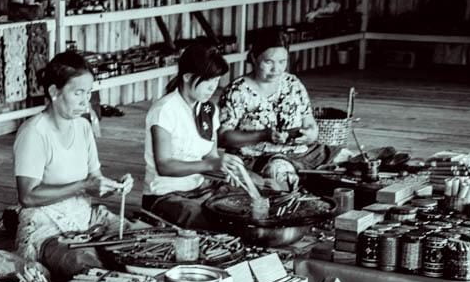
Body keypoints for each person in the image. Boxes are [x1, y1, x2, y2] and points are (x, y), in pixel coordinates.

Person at [13, 51, 134, 281]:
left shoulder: (83, 127)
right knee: (82, 263)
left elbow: (94, 180)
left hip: (84, 217)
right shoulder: (34, 133)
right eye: (78, 93)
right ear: (54, 92)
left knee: (135, 237)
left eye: (88, 94)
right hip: (46, 226)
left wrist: (115, 186)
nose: (84, 101)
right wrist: (82, 186)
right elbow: (27, 196)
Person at [142, 42, 249, 229]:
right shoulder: (165, 110)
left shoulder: (208, 109)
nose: (212, 88)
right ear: (188, 77)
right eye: (208, 81)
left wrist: (227, 170)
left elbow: (211, 156)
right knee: (216, 224)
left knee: (244, 210)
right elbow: (165, 166)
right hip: (166, 195)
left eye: (216, 81)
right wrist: (212, 164)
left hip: (200, 189)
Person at [218, 29, 332, 170]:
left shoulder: (292, 83)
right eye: (268, 62)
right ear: (254, 58)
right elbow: (223, 136)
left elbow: (310, 124)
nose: (276, 69)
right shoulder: (237, 91)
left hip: (299, 153)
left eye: (282, 61)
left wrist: (308, 135)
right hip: (257, 157)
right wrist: (263, 135)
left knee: (348, 161)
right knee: (279, 170)